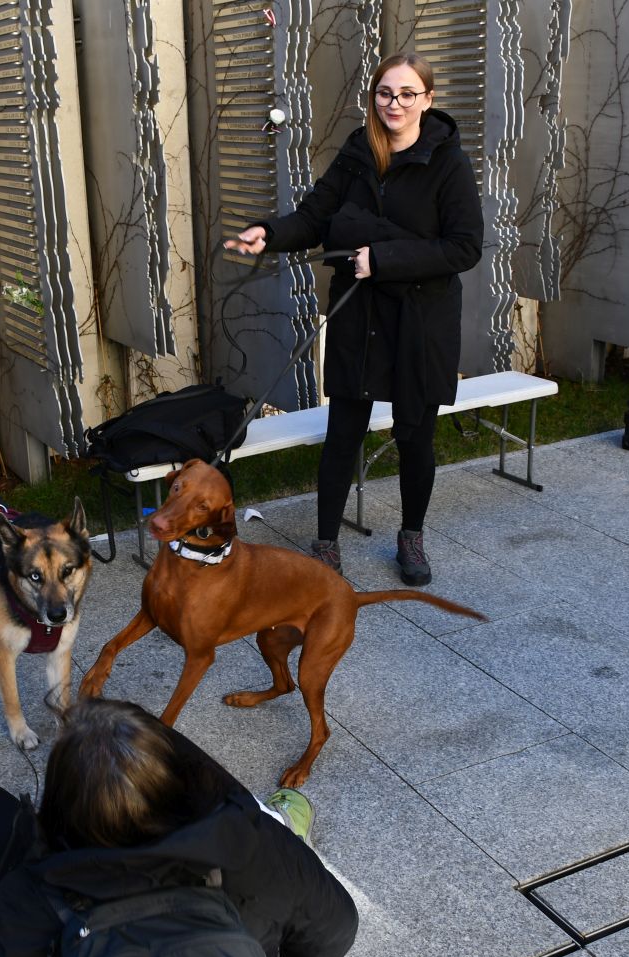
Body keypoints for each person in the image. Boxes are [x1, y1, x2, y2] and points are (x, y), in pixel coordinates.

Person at [0, 699, 365, 957]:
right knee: (267, 833)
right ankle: (281, 815)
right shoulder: (259, 847)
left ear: (56, 810)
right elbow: (337, 921)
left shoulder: (20, 902)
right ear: (179, 790)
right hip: (230, 949)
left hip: (54, 907)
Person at [225, 52, 483, 585]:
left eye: (407, 94)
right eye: (385, 93)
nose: (394, 104)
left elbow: (463, 247)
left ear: (428, 100)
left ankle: (411, 536)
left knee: (415, 435)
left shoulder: (448, 163)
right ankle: (325, 544)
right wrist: (268, 234)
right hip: (360, 313)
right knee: (343, 430)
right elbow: (316, 218)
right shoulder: (358, 150)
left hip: (420, 319)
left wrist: (382, 257)